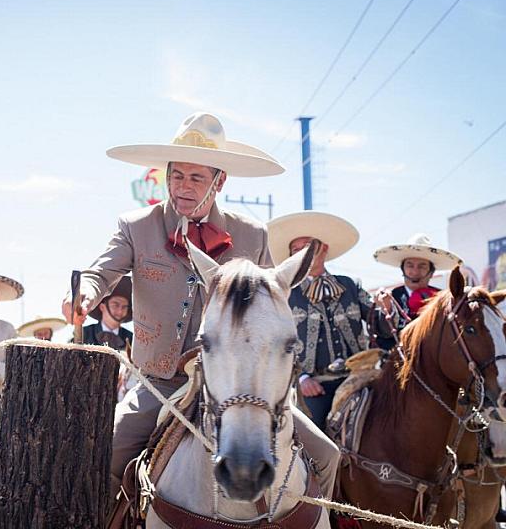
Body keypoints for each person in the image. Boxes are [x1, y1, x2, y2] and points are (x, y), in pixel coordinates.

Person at [62, 112, 340, 499]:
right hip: (158, 383)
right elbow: (100, 272)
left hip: (238, 383)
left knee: (327, 455)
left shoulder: (253, 234)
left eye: (196, 178)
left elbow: (272, 305)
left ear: (219, 181)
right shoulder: (136, 225)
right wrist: (85, 294)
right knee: (104, 455)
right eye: (177, 176)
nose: (183, 187)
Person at [267, 211, 376, 430]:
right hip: (315, 386)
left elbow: (379, 324)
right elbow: (276, 344)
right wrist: (302, 378)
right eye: (296, 251)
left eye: (308, 248)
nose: (302, 255)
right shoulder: (284, 293)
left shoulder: (350, 285)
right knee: (313, 443)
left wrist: (387, 310)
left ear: (323, 249)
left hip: (359, 378)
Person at [373, 233, 462, 349]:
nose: (415, 271)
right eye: (410, 265)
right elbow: (382, 337)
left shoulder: (444, 299)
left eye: (422, 266)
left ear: (431, 273)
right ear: (403, 269)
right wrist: (388, 310)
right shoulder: (390, 297)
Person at [81, 276, 133, 351]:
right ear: (102, 307)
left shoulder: (132, 339)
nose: (120, 311)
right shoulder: (84, 334)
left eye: (124, 307)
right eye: (115, 305)